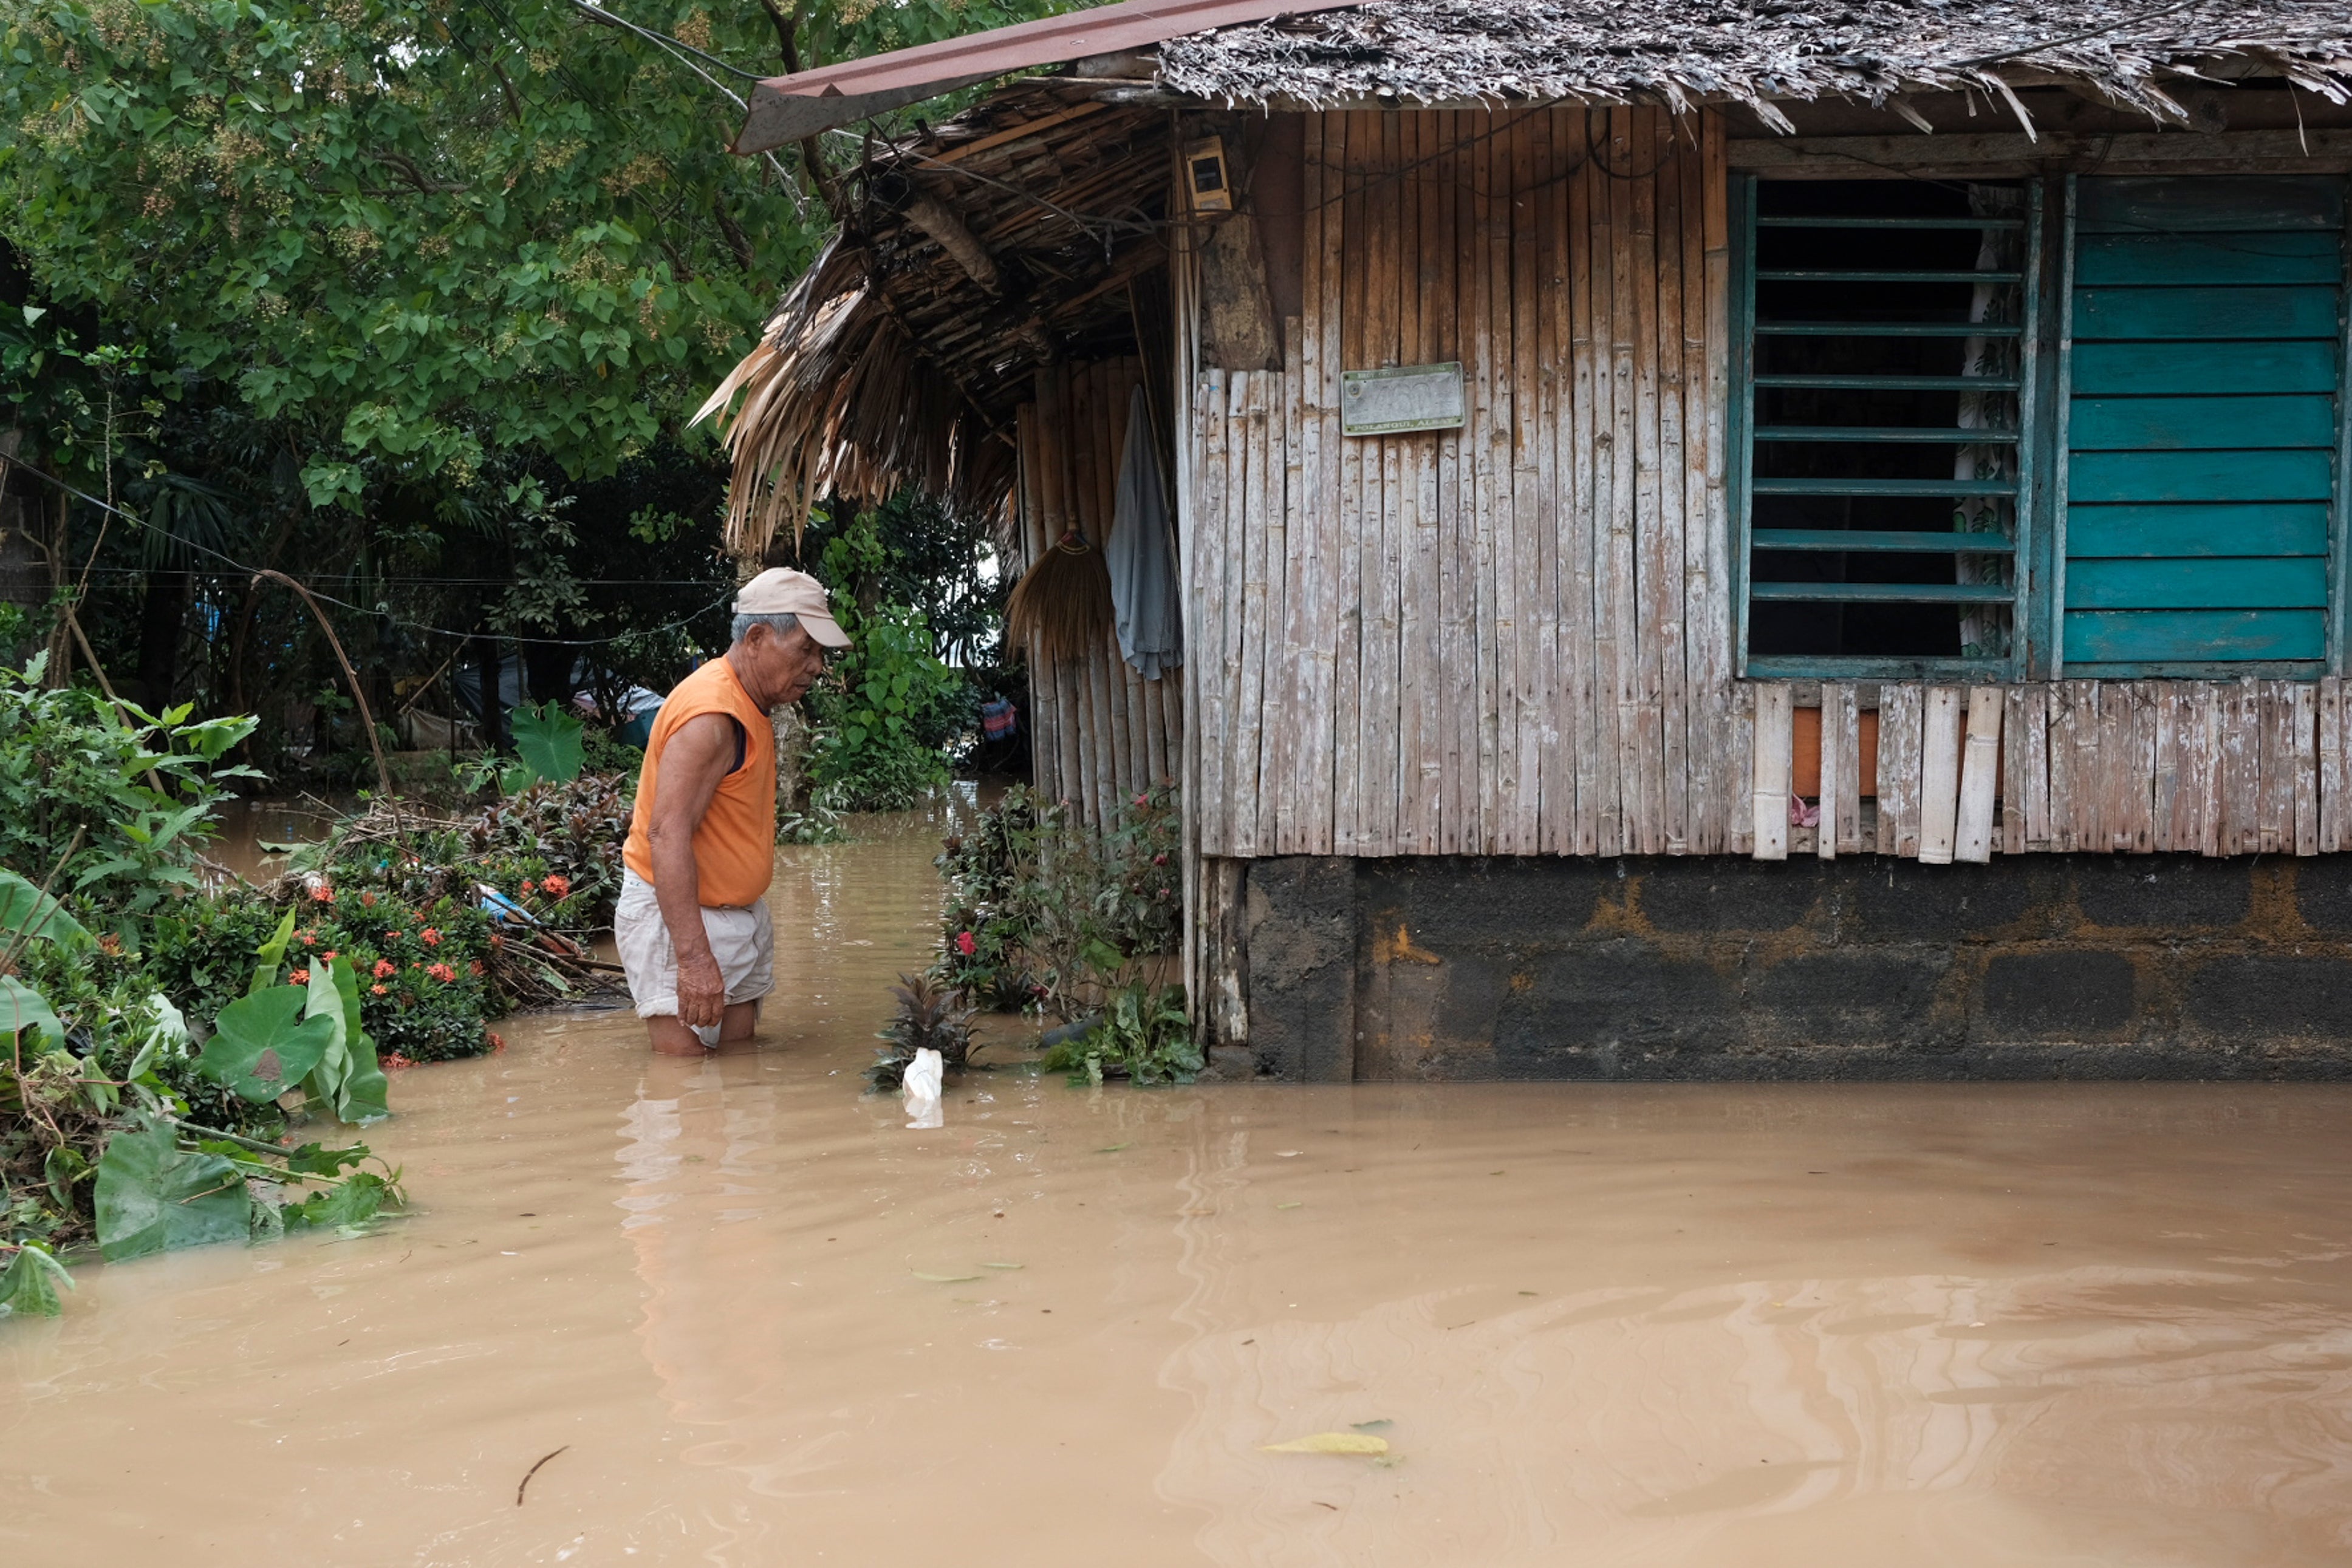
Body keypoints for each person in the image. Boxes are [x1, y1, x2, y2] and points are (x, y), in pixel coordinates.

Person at [617, 568, 849, 1054]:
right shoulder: (711, 715)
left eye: (820, 654)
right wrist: (694, 959)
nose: (817, 667)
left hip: (737, 914)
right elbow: (666, 835)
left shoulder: (750, 704)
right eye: (806, 649)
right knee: (680, 1083)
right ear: (759, 637)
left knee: (740, 1075)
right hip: (681, 919)